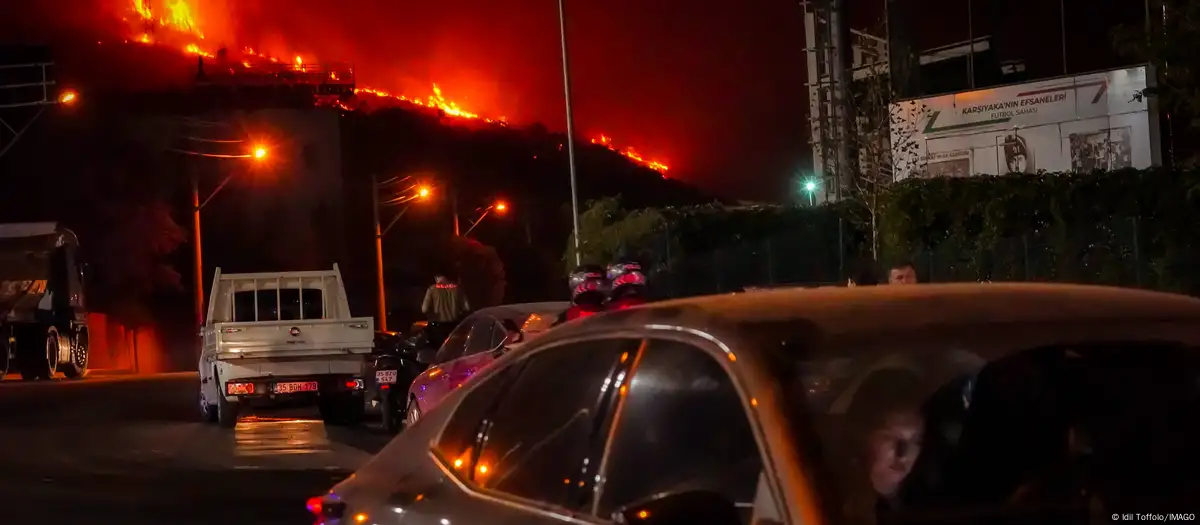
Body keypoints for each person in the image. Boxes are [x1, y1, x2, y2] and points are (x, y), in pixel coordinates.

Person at [836, 368, 928, 520]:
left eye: (915, 440)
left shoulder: (932, 504)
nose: (903, 454)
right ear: (862, 437)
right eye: (889, 436)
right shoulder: (825, 500)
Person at [421, 274, 470, 343]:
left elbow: (424, 309)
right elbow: (467, 308)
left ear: (437, 277)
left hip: (437, 327)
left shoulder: (432, 289)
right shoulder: (457, 289)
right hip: (454, 326)